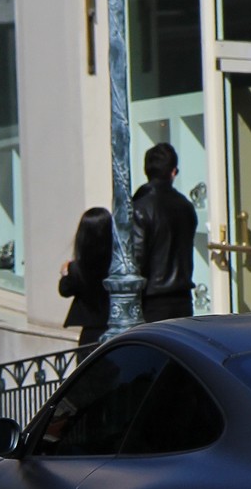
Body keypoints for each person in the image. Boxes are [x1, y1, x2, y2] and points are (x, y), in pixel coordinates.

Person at [130, 142, 198, 322]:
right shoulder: (186, 206)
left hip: (152, 299)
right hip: (182, 297)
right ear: (173, 172)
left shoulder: (139, 208)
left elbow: (136, 258)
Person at [60, 207, 114, 347]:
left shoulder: (78, 268)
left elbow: (65, 290)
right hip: (114, 325)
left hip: (90, 331)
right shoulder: (117, 264)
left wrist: (65, 272)